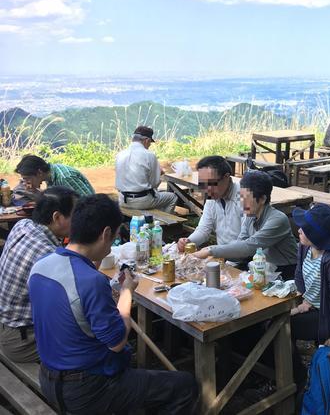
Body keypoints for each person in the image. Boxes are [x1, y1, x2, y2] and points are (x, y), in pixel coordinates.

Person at [28, 194, 197, 414]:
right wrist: (127, 292)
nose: (111, 246)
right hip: (86, 390)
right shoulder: (91, 282)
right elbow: (117, 342)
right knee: (185, 385)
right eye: (115, 236)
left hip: (49, 377)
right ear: (106, 233)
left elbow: (73, 309)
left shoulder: (41, 265)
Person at [0, 187, 78, 363]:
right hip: (22, 341)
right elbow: (73, 304)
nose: (79, 220)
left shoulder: (23, 225)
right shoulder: (48, 256)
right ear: (57, 217)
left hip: (8, 325)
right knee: (94, 336)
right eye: (75, 215)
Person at [290, 204, 330, 388]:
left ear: (318, 237)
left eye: (305, 228)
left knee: (282, 328)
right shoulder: (305, 247)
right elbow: (300, 276)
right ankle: (297, 373)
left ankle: (298, 379)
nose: (299, 230)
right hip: (316, 306)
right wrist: (306, 301)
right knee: (277, 321)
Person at [192, 170, 297, 280]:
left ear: (262, 199)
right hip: (262, 268)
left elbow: (249, 247)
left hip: (286, 273)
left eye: (246, 198)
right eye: (240, 196)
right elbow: (240, 245)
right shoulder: (250, 216)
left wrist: (210, 250)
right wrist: (217, 257)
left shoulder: (277, 220)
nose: (241, 202)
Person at [177, 155, 244, 254]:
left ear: (226, 177)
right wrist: (189, 241)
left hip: (247, 259)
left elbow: (248, 240)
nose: (206, 189)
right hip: (223, 256)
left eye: (211, 183)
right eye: (203, 184)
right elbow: (204, 229)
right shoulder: (212, 198)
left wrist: (212, 251)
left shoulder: (244, 196)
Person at [115, 125, 177, 213]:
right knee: (172, 197)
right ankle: (164, 224)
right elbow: (154, 184)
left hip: (122, 199)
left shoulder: (120, 154)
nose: (149, 146)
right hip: (141, 201)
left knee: (157, 195)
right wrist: (160, 173)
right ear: (146, 140)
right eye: (150, 143)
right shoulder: (149, 155)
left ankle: (151, 219)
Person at [15, 154, 94, 197]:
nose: (26, 182)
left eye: (27, 178)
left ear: (39, 172)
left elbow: (88, 203)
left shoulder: (65, 178)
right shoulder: (49, 176)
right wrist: (35, 193)